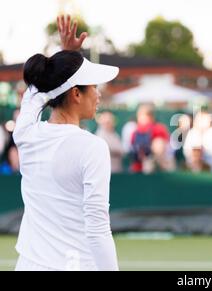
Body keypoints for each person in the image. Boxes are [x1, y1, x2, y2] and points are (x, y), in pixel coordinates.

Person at [13, 15, 119, 271]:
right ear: (75, 93)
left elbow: (35, 95)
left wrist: (64, 60)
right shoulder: (92, 147)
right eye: (93, 86)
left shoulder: (25, 132)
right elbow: (98, 228)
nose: (98, 94)